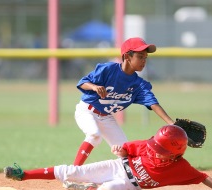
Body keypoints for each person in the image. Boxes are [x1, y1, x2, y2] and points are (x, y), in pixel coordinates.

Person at [4, 125, 212, 190]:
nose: (154, 149)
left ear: (175, 154)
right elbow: (126, 150)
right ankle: (22, 173)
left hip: (130, 186)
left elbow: (203, 178)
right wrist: (119, 150)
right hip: (117, 166)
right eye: (155, 145)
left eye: (160, 149)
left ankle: (90, 188)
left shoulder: (182, 169)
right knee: (72, 171)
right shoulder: (147, 145)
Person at [72, 37, 174, 166]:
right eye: (140, 56)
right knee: (94, 135)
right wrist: (94, 86)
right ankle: (72, 173)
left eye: (145, 58)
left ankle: (119, 182)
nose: (144, 61)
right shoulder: (108, 69)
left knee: (125, 151)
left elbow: (153, 104)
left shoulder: (139, 84)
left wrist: (172, 123)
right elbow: (82, 83)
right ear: (127, 56)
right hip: (87, 111)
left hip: (106, 117)